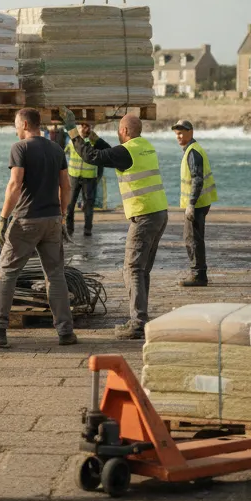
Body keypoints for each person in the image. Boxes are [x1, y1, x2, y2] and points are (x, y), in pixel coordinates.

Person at [0, 107, 76, 349]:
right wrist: (62, 216)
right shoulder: (55, 148)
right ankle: (66, 332)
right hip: (52, 219)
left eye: (15, 124)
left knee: (7, 273)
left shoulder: (19, 148)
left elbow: (15, 184)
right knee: (55, 275)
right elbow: (66, 186)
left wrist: (2, 218)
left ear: (23, 124)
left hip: (26, 220)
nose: (15, 128)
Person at [69, 114, 168, 340]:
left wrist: (73, 133)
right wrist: (93, 136)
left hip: (144, 216)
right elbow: (109, 152)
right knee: (142, 270)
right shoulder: (144, 147)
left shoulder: (126, 151)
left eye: (118, 130)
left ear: (123, 130)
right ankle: (141, 317)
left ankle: (137, 323)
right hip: (159, 213)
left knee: (132, 268)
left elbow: (92, 157)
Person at [172, 119, 217, 287]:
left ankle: (198, 275)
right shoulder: (192, 150)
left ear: (191, 132)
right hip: (200, 202)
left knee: (192, 239)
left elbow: (197, 179)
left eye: (182, 132)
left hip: (197, 204)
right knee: (195, 238)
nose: (178, 135)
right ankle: (199, 273)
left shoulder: (193, 152)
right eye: (177, 133)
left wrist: (191, 203)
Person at [65, 122, 101, 237]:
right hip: (73, 176)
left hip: (89, 177)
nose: (85, 128)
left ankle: (87, 230)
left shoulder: (95, 141)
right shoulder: (72, 141)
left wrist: (98, 177)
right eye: (83, 126)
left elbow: (101, 160)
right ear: (79, 128)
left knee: (88, 205)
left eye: (88, 126)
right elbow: (63, 153)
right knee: (70, 205)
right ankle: (69, 229)